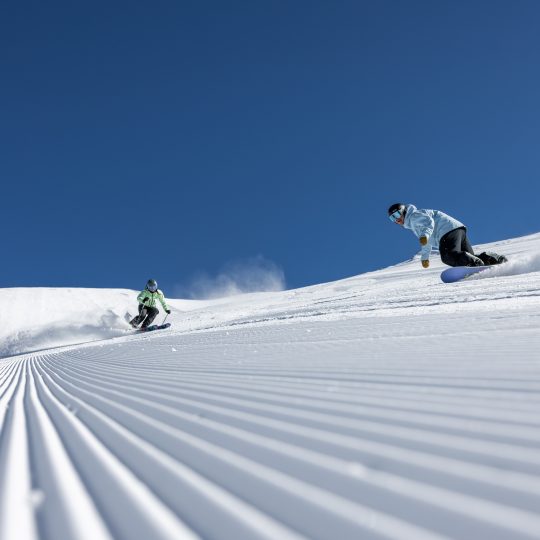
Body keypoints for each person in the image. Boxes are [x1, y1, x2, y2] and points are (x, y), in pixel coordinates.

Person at [387, 203, 507, 268]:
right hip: (457, 229)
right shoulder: (414, 224)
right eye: (392, 218)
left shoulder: (413, 216)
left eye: (396, 215)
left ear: (403, 211)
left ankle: (475, 263)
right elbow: (426, 242)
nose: (396, 220)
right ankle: (493, 259)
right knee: (467, 256)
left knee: (448, 256)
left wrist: (425, 235)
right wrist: (425, 258)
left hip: (446, 231)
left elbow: (429, 223)